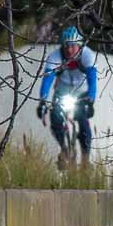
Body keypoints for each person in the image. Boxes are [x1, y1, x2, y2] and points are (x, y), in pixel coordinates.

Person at [36, 26, 98, 166]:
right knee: (55, 118)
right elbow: (47, 80)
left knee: (83, 121)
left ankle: (85, 158)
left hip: (81, 93)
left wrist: (91, 100)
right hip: (62, 91)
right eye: (66, 46)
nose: (69, 49)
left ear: (79, 45)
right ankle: (64, 150)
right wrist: (42, 101)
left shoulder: (88, 55)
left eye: (72, 46)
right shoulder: (55, 56)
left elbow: (92, 80)